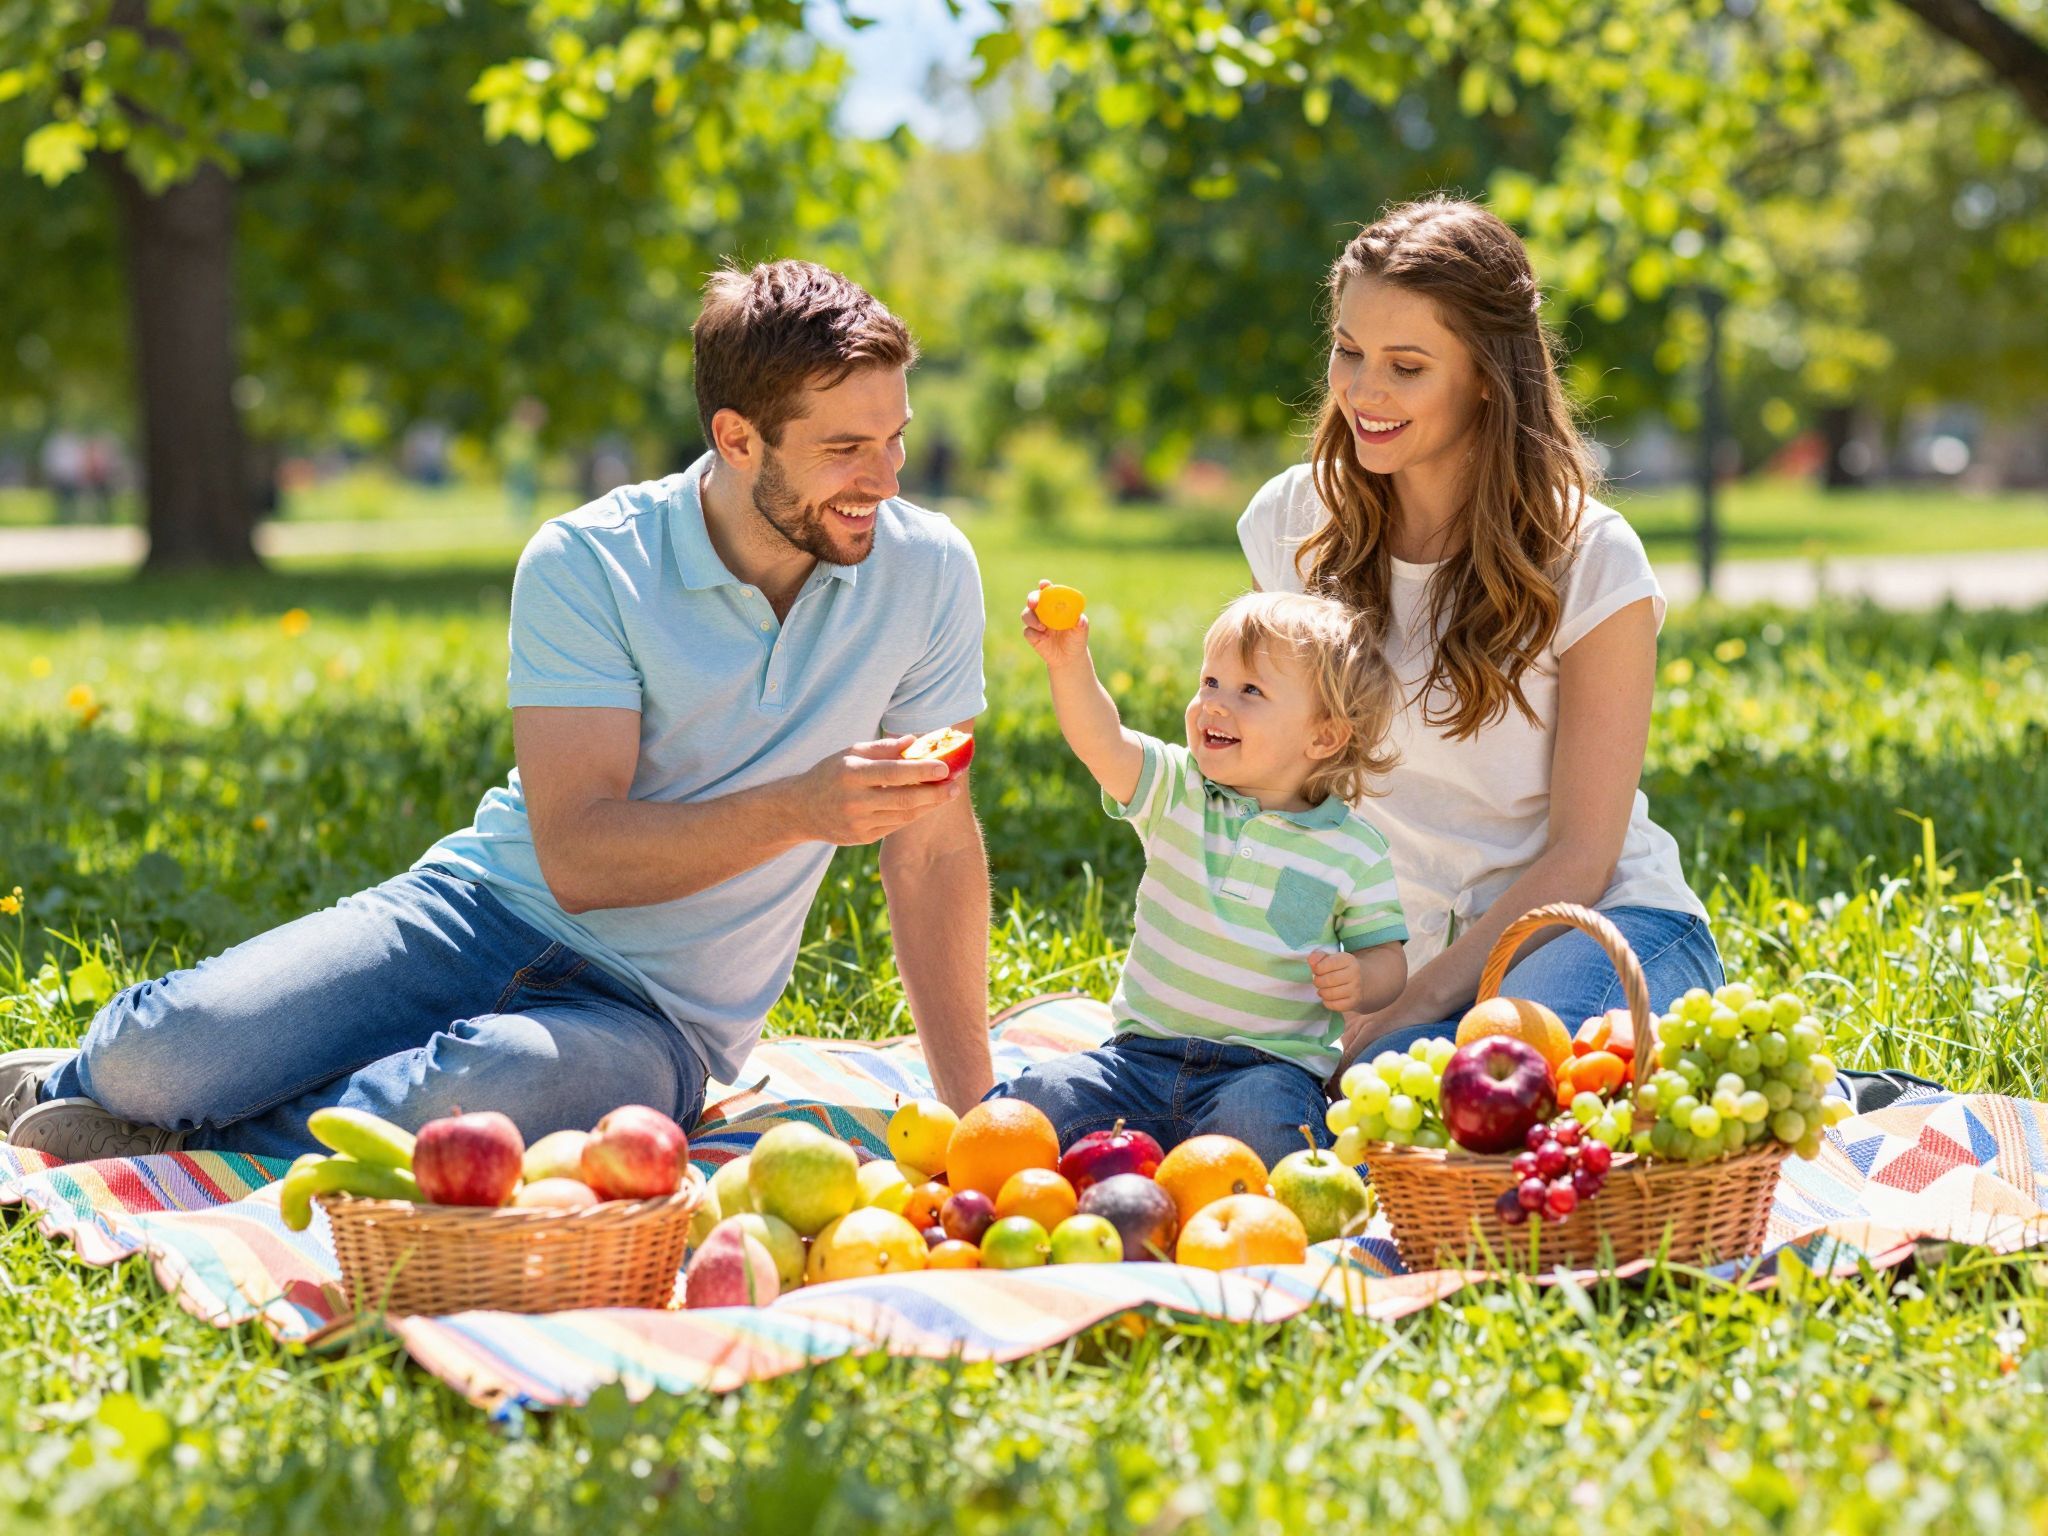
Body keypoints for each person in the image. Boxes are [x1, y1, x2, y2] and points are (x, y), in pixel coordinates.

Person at [0, 260, 997, 1163]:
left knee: (483, 1092)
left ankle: (199, 1138)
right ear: (736, 438)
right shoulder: (590, 560)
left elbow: (933, 850)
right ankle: (105, 1096)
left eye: (895, 438)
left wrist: (979, 1115)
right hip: (474, 914)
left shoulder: (925, 571)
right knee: (158, 1058)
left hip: (654, 1020)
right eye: (846, 448)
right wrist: (799, 808)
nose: (886, 479)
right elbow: (579, 858)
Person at [1236, 196, 1724, 1083]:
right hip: (1389, 956)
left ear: (1488, 377)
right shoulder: (1292, 524)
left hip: (1594, 926)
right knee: (1264, 1104)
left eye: (1407, 366)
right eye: (1349, 352)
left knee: (1478, 1094)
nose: (1364, 392)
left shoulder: (1590, 557)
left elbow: (1585, 850)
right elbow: (1288, 795)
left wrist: (1415, 1002)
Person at [986, 587, 1409, 1168]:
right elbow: (1101, 742)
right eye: (1210, 682)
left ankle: (1210, 1179)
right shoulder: (1177, 789)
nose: (1215, 703)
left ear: (1324, 736)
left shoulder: (1355, 850)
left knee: (1268, 1131)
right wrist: (1069, 663)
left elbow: (1387, 957)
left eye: (1249, 691)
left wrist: (1362, 980)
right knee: (1034, 1104)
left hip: (1264, 1072)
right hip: (1137, 1062)